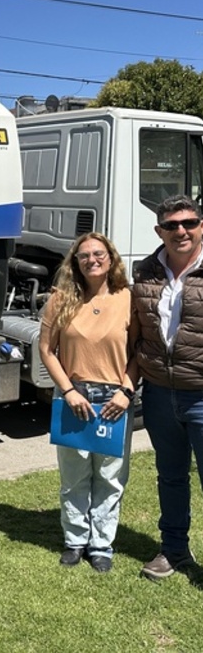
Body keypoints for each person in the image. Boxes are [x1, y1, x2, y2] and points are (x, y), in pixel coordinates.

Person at [39, 232, 137, 573]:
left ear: (110, 258)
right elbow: (46, 350)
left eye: (98, 253)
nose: (92, 260)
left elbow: (138, 352)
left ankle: (101, 545)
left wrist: (126, 391)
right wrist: (68, 390)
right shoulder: (60, 298)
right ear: (75, 262)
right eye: (84, 256)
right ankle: (75, 540)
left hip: (114, 399)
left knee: (110, 477)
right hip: (73, 395)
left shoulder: (128, 298)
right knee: (74, 475)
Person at [133, 194, 203, 580]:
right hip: (159, 394)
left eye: (189, 223)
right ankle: (173, 551)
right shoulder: (145, 272)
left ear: (201, 226)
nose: (181, 231)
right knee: (171, 476)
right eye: (172, 225)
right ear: (159, 230)